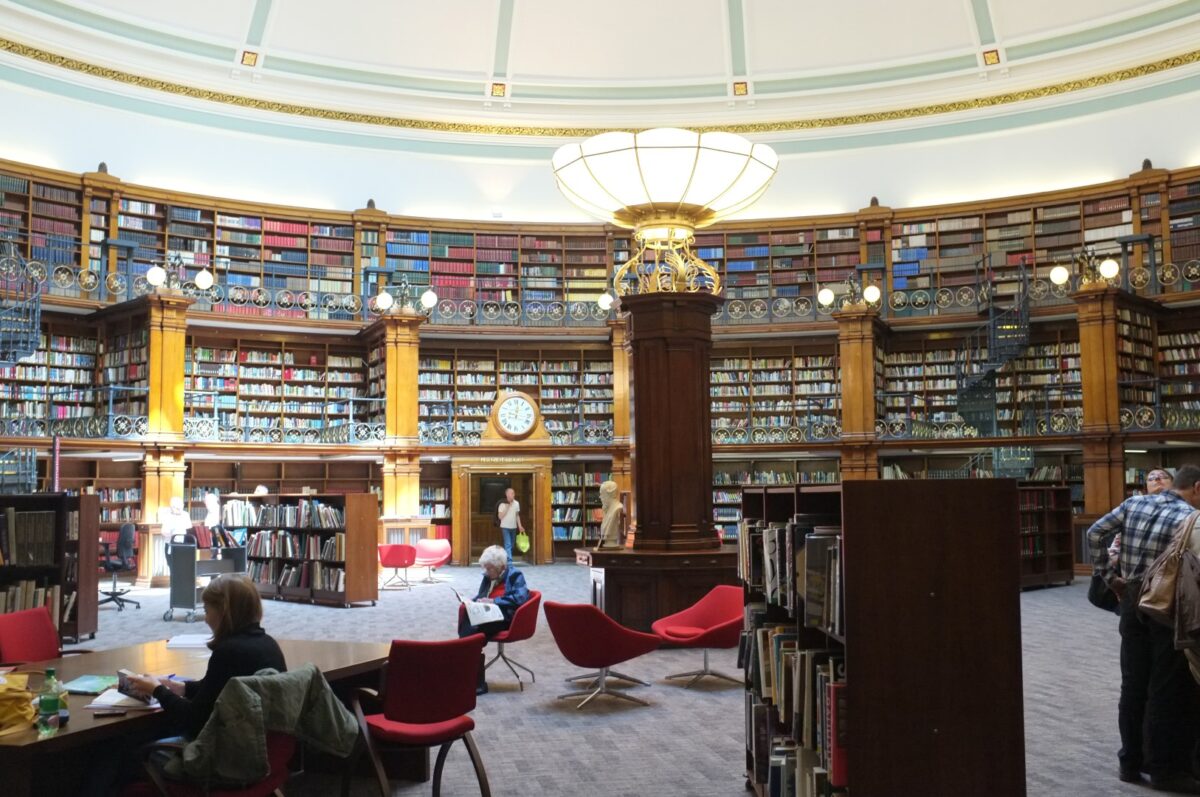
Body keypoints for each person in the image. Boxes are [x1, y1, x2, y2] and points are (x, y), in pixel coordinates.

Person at [1088, 463, 1200, 791]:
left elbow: (1095, 532)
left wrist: (1112, 579)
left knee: (1133, 685)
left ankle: (1130, 762)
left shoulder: (1134, 503)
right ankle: (1166, 769)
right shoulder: (1190, 518)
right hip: (1167, 606)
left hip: (1131, 598)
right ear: (1196, 488)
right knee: (1167, 688)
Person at [127, 574, 286, 738]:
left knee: (131, 738)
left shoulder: (228, 653)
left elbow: (193, 721)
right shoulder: (269, 644)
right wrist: (180, 687)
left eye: (207, 611)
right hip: (261, 743)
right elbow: (218, 689)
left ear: (223, 613)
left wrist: (157, 690)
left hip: (224, 749)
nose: (206, 619)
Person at [457, 545, 530, 695]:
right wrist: (471, 602)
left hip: (504, 617)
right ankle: (469, 670)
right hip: (486, 613)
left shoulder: (515, 575)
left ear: (502, 567)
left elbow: (520, 598)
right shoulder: (487, 576)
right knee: (467, 624)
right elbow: (481, 595)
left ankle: (477, 682)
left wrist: (494, 602)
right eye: (485, 568)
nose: (486, 572)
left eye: (490, 569)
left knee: (475, 632)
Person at [1110, 469, 1175, 566]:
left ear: (1173, 484)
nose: (1157, 479)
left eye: (1163, 477)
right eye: (1151, 478)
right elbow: (1115, 549)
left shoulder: (1184, 509)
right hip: (1137, 569)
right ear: (1146, 488)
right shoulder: (1133, 508)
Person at [496, 486, 524, 564]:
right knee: (507, 544)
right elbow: (500, 517)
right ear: (507, 494)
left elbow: (517, 515)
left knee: (512, 545)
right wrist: (507, 507)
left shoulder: (516, 503)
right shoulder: (502, 504)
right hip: (505, 527)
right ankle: (509, 562)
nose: (513, 495)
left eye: (513, 493)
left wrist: (520, 526)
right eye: (511, 493)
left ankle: (506, 558)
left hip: (513, 527)